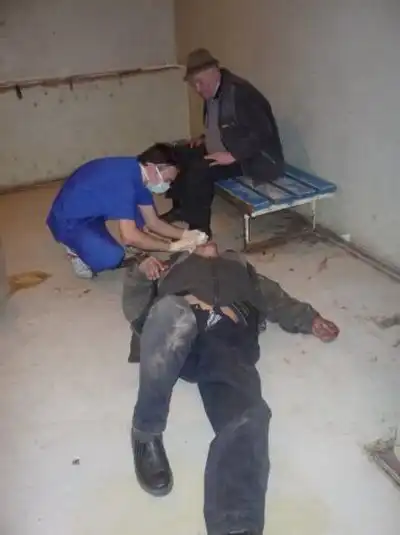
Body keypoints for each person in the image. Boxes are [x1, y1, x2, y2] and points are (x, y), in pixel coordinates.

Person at [122, 243, 339, 535]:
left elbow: (276, 299)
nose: (208, 242)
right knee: (171, 312)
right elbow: (134, 309)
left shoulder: (242, 269)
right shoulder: (172, 267)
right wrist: (139, 273)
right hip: (177, 331)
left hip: (227, 340)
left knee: (248, 417)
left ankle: (235, 525)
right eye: (199, 242)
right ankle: (145, 431)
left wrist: (309, 319)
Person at [161, 48, 285, 237]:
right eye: (194, 84)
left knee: (199, 171)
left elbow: (263, 133)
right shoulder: (212, 91)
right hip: (225, 150)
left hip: (250, 160)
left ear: (214, 72)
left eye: (200, 82)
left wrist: (233, 155)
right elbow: (225, 126)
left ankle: (200, 232)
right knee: (176, 154)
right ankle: (180, 209)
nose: (197, 89)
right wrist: (204, 138)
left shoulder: (241, 93)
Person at [46, 143, 207, 279]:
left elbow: (153, 222)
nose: (168, 185)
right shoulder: (124, 183)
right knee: (111, 257)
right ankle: (75, 251)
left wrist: (186, 235)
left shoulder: (139, 174)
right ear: (153, 167)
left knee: (141, 224)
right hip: (67, 221)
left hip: (92, 212)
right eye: (167, 180)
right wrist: (171, 247)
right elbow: (129, 236)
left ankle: (127, 245)